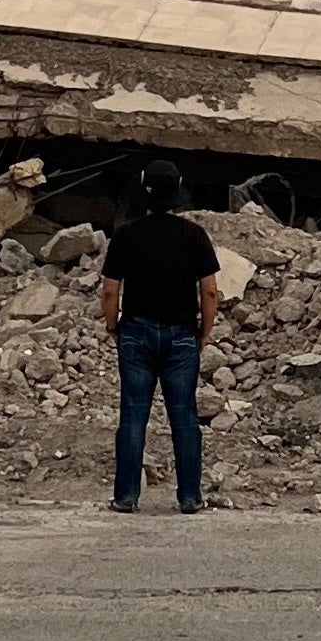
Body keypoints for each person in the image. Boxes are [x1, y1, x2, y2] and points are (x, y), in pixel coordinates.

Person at [98, 159, 218, 514]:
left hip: (136, 332)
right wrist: (204, 332)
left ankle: (126, 496)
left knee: (133, 417)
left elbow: (110, 290)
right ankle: (190, 497)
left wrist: (112, 326)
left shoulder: (126, 235)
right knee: (185, 418)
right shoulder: (194, 235)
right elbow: (210, 291)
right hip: (181, 335)